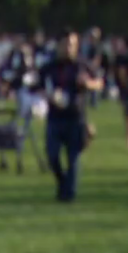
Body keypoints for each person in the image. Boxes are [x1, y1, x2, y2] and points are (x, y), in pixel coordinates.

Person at [39, 31, 103, 202]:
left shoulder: (82, 65)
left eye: (73, 45)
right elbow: (38, 85)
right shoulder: (50, 66)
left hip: (76, 116)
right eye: (66, 44)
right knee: (52, 155)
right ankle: (62, 181)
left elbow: (99, 82)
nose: (69, 48)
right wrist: (48, 95)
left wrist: (88, 84)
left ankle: (69, 194)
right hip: (55, 116)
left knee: (73, 156)